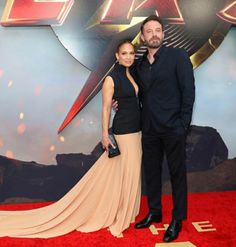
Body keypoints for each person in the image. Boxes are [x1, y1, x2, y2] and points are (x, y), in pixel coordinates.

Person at [0, 40, 142, 238]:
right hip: (124, 131)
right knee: (128, 172)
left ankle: (126, 210)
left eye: (131, 53)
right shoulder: (111, 79)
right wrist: (103, 134)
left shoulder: (131, 74)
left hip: (136, 131)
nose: (128, 57)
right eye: (124, 53)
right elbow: (105, 108)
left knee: (127, 173)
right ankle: (120, 218)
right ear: (117, 56)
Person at [132, 15, 195, 243]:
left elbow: (188, 92)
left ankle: (177, 218)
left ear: (163, 34)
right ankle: (155, 212)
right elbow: (135, 92)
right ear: (143, 36)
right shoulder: (138, 65)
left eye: (157, 30)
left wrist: (183, 125)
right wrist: (121, 100)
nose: (154, 34)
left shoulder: (178, 56)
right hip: (149, 129)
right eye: (149, 31)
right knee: (152, 173)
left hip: (173, 128)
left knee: (177, 174)